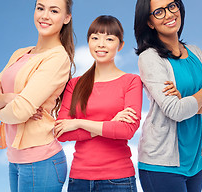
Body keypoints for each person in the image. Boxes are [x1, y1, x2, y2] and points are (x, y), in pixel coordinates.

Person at [0, 0, 75, 192]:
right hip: (15, 159)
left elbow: (20, 111)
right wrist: (8, 98)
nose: (45, 16)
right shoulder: (20, 53)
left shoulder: (57, 58)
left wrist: (0, 105)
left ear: (66, 17)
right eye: (40, 8)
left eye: (54, 10)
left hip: (41, 161)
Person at [134, 0, 202, 192]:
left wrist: (189, 101)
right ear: (149, 22)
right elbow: (175, 111)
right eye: (159, 12)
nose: (169, 14)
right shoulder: (150, 58)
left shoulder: (195, 52)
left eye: (172, 6)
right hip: (161, 164)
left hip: (196, 160)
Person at [54, 15, 142, 192]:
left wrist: (78, 122)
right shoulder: (74, 84)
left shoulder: (131, 81)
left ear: (120, 45)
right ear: (88, 42)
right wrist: (110, 124)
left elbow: (126, 130)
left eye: (109, 39)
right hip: (79, 179)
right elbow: (61, 132)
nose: (101, 44)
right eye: (95, 38)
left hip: (119, 180)